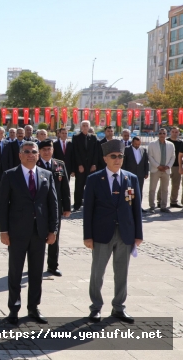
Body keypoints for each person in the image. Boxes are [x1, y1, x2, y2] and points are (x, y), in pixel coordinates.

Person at [0, 141, 58, 325]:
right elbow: (3, 206)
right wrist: (4, 230)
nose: (31, 154)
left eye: (34, 152)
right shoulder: (10, 176)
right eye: (27, 152)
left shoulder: (46, 175)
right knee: (15, 271)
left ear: (38, 155)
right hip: (17, 232)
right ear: (20, 155)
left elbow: (53, 204)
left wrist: (53, 229)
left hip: (39, 232)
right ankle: (14, 309)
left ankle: (33, 307)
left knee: (36, 272)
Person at [84, 139, 143, 324]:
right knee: (97, 272)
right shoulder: (94, 179)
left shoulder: (131, 178)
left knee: (122, 272)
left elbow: (136, 208)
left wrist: (138, 234)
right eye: (114, 156)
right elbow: (88, 210)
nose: (118, 159)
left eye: (120, 156)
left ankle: (119, 307)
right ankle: (95, 307)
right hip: (102, 233)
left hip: (125, 233)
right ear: (105, 158)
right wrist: (88, 235)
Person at [36, 139, 71, 277]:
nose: (46, 152)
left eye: (48, 149)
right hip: (39, 207)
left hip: (55, 207)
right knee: (37, 237)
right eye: (43, 149)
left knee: (54, 235)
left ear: (52, 150)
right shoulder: (35, 164)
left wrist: (67, 207)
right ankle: (36, 265)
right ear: (39, 151)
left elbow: (65, 187)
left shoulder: (59, 165)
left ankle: (52, 265)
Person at [72, 121, 99, 211]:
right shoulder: (76, 138)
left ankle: (91, 204)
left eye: (86, 125)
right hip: (81, 166)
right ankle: (77, 204)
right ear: (81, 127)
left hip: (91, 166)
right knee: (79, 186)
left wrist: (94, 164)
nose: (85, 127)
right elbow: (75, 152)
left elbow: (96, 152)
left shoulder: (93, 138)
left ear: (89, 127)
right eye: (83, 125)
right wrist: (79, 164)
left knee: (91, 186)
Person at [147, 128, 175, 213]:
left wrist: (168, 166)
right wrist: (158, 166)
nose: (162, 135)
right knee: (152, 188)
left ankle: (163, 206)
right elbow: (150, 156)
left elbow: (173, 157)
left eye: (164, 133)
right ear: (158, 134)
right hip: (156, 169)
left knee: (165, 189)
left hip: (166, 170)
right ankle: (152, 206)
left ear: (166, 134)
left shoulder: (171, 145)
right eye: (160, 133)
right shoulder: (152, 144)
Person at [123, 136, 149, 211]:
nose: (137, 145)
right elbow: (124, 163)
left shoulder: (143, 150)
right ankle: (129, 206)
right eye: (136, 144)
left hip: (140, 174)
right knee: (129, 190)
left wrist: (146, 172)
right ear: (132, 143)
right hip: (129, 174)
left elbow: (145, 162)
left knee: (139, 190)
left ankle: (138, 206)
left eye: (139, 144)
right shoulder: (127, 150)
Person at [167, 127, 183, 208]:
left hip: (176, 166)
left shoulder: (181, 143)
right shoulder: (166, 142)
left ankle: (173, 201)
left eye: (176, 132)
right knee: (164, 185)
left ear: (178, 133)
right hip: (166, 166)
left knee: (176, 185)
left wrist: (181, 167)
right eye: (173, 131)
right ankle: (160, 201)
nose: (174, 133)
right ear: (170, 132)